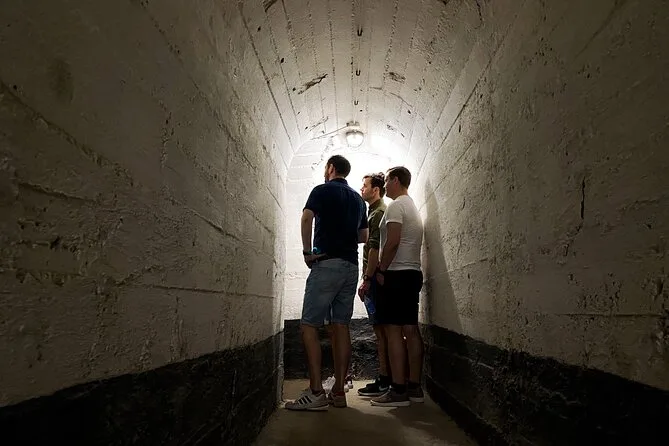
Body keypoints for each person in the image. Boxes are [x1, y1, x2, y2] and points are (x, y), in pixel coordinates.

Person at [285, 155, 368, 411]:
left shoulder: (321, 190)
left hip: (327, 263)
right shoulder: (358, 200)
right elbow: (363, 236)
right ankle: (339, 392)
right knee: (341, 326)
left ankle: (316, 392)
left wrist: (306, 252)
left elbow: (306, 218)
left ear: (331, 168)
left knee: (308, 326)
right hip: (351, 266)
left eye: (325, 168)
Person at [370, 166, 425, 407]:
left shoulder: (395, 206)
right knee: (410, 329)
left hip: (396, 274)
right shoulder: (412, 206)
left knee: (393, 330)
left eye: (387, 181)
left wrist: (381, 269)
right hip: (412, 273)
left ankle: (398, 390)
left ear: (395, 180)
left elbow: (392, 241)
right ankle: (414, 387)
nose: (384, 186)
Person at [356, 173, 392, 397]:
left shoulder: (378, 213)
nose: (362, 189)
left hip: (375, 281)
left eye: (365, 185)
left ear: (376, 189)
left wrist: (367, 279)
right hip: (375, 279)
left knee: (382, 332)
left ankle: (386, 379)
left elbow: (374, 249)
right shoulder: (374, 212)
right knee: (381, 331)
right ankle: (385, 377)